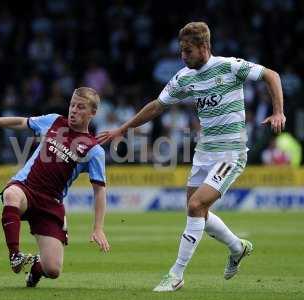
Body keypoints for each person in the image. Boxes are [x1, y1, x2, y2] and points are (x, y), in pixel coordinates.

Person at [97, 22, 285, 292]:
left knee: (196, 206)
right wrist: (123, 128)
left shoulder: (230, 66)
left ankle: (176, 274)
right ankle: (237, 247)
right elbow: (157, 106)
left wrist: (278, 111)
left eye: (187, 51)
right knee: (196, 210)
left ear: (204, 47)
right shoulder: (184, 77)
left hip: (231, 152)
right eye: (181, 51)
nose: (183, 56)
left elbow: (272, 75)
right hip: (204, 152)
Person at [0, 87, 110, 287]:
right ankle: (15, 256)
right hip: (26, 188)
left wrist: (98, 228)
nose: (73, 110)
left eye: (80, 107)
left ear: (93, 113)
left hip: (50, 204)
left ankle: (36, 268)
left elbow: (99, 190)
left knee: (53, 269)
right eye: (72, 105)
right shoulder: (55, 121)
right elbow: (22, 122)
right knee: (11, 195)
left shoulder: (94, 150)